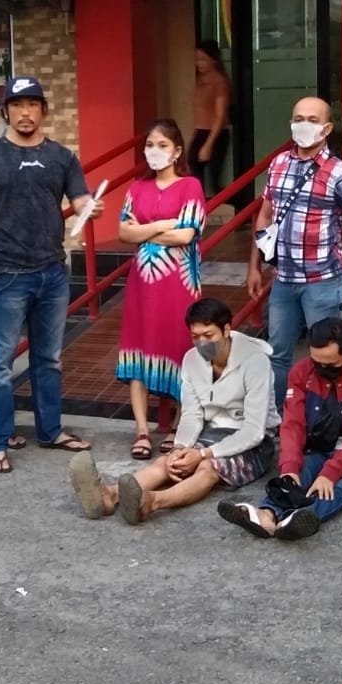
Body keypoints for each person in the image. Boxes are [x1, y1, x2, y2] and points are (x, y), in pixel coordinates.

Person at [0, 76, 100, 473]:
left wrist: (91, 207)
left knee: (49, 359)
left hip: (52, 271)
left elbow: (80, 199)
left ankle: (50, 430)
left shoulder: (61, 156)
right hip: (4, 273)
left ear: (43, 111)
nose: (25, 113)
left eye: (33, 105)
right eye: (17, 105)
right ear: (6, 110)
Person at [71, 297, 274, 523]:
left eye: (209, 335)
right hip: (212, 431)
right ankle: (111, 495)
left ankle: (152, 502)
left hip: (254, 439)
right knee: (170, 463)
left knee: (208, 467)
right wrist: (180, 447)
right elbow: (192, 414)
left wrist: (203, 454)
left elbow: (254, 430)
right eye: (195, 337)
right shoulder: (191, 359)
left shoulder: (255, 361)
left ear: (226, 330)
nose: (202, 343)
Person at [216, 317, 342, 540]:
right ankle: (266, 514)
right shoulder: (301, 372)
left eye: (331, 365)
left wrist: (330, 473)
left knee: (338, 487)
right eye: (317, 362)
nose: (322, 369)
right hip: (317, 450)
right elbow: (293, 425)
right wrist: (289, 467)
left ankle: (298, 518)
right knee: (296, 477)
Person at [245, 96, 342, 412]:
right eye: (298, 118)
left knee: (327, 354)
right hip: (283, 280)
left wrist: (328, 241)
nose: (304, 125)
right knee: (277, 353)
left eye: (313, 120)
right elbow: (265, 216)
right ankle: (278, 419)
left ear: (327, 128)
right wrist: (255, 266)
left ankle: (327, 419)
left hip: (323, 281)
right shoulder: (278, 164)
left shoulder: (339, 172)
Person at [114, 120, 206, 459]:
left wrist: (145, 230)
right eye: (150, 145)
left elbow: (186, 235)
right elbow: (123, 233)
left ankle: (180, 425)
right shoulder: (137, 188)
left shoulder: (190, 186)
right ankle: (142, 430)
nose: (155, 151)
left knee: (182, 346)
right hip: (142, 286)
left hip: (179, 285)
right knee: (137, 347)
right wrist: (164, 225)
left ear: (177, 151)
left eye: (163, 145)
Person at [189, 42, 232, 195]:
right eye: (197, 59)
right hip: (200, 131)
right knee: (194, 171)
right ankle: (199, 204)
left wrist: (208, 144)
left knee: (214, 179)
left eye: (203, 59)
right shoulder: (199, 80)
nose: (199, 63)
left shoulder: (219, 82)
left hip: (216, 134)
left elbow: (220, 116)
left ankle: (230, 203)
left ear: (213, 60)